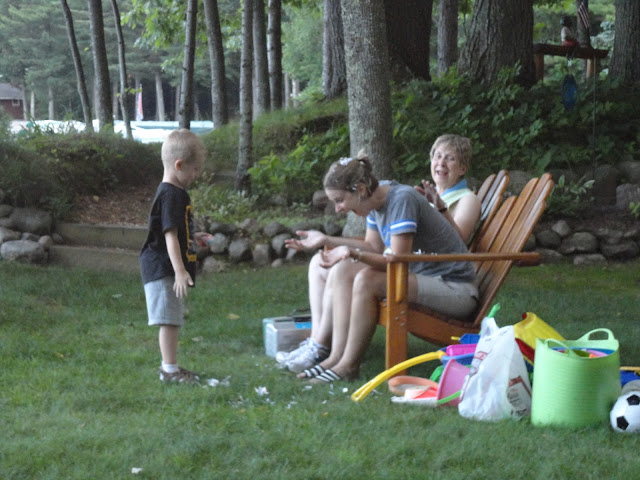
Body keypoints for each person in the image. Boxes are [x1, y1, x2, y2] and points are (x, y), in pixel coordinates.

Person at [277, 136, 480, 373]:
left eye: (340, 200)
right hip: (427, 277)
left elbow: (397, 263)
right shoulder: (376, 196)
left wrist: (351, 252)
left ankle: (346, 364)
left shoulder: (401, 199)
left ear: (361, 190)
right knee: (339, 266)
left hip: (456, 289)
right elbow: (374, 246)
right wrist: (326, 241)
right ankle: (329, 355)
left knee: (366, 278)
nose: (338, 209)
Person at [139, 128, 207, 383]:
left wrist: (193, 237)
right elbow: (169, 234)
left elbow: (177, 230)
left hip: (166, 264)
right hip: (162, 266)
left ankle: (171, 367)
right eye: (194, 169)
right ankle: (169, 370)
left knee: (172, 318)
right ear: (178, 165)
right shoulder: (171, 195)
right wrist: (179, 271)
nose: (196, 174)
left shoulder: (175, 193)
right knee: (168, 320)